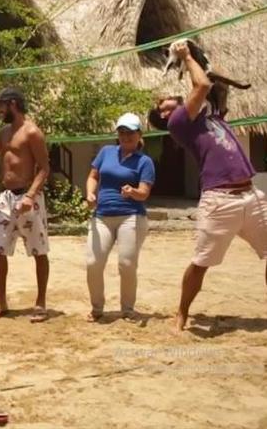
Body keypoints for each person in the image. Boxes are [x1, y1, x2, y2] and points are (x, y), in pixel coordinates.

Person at [148, 39, 266, 332]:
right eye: (163, 105)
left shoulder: (209, 116)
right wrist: (186, 55)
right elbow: (200, 86)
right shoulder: (178, 123)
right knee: (201, 263)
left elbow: (207, 86)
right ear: (164, 116)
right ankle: (182, 312)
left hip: (251, 195)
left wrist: (198, 58)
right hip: (219, 200)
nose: (169, 102)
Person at [0, 87, 51, 323]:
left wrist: (30, 195)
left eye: (1, 105)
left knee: (38, 250)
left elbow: (44, 168)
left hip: (29, 197)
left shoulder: (32, 132)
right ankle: (2, 302)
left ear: (13, 104)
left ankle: (40, 303)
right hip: (6, 198)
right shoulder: (4, 132)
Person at [84, 113, 155, 322]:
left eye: (130, 133)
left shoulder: (145, 162)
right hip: (102, 215)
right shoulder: (106, 152)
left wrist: (133, 192)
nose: (126, 136)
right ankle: (97, 308)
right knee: (93, 262)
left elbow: (144, 193)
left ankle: (128, 309)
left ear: (139, 135)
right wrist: (90, 193)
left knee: (126, 264)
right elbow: (93, 176)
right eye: (122, 132)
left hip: (131, 217)